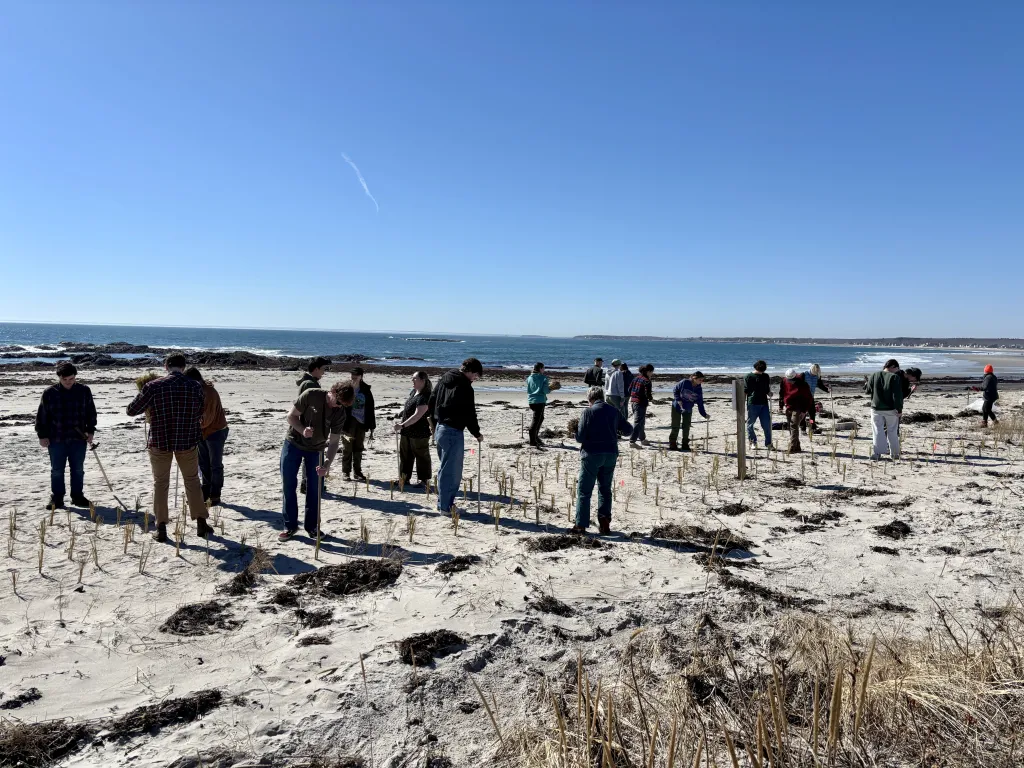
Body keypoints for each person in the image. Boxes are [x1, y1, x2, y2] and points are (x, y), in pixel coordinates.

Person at [127, 353, 210, 542]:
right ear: (184, 367)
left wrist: (150, 407)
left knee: (161, 483)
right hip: (186, 440)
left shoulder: (153, 386)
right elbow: (200, 411)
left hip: (160, 441)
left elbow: (131, 410)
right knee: (192, 481)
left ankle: (161, 527)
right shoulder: (194, 386)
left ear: (166, 366)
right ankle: (201, 523)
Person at [280, 380, 355, 540]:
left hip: (316, 450)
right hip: (293, 443)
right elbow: (291, 416)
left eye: (342, 405)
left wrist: (326, 465)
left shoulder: (340, 413)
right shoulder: (311, 395)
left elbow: (334, 442)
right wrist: (302, 430)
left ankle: (312, 527)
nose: (338, 406)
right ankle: (290, 526)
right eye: (338, 402)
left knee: (315, 488)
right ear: (333, 392)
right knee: (288, 484)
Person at [35, 361, 96, 510]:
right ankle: (57, 498)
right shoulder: (49, 393)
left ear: (75, 376)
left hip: (78, 438)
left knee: (78, 470)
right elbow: (42, 415)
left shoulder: (84, 390)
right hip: (56, 438)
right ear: (59, 378)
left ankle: (77, 496)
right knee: (57, 470)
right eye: (65, 379)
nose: (68, 382)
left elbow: (91, 412)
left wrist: (91, 431)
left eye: (71, 379)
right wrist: (42, 436)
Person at [571, 386, 632, 535]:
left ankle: (580, 525)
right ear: (602, 397)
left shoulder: (587, 412)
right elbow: (629, 430)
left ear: (590, 399)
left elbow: (580, 438)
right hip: (610, 453)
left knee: (584, 490)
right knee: (605, 489)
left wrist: (574, 432)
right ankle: (604, 523)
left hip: (592, 454)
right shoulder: (614, 411)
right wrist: (615, 428)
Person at [432, 357, 483, 515]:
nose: (475, 379)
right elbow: (469, 413)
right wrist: (476, 433)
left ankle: (443, 503)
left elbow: (432, 399)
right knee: (451, 472)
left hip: (440, 428)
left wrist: (433, 423)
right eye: (476, 375)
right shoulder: (465, 386)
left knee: (444, 469)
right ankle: (446, 507)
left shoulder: (445, 378)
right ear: (470, 371)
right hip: (452, 431)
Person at [184, 367, 228, 507]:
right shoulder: (196, 390)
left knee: (215, 464)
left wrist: (191, 425)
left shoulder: (209, 392)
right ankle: (206, 492)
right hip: (202, 432)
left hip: (216, 431)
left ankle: (215, 494)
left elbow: (207, 419)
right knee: (203, 463)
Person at [297, 356, 331, 493]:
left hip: (308, 424)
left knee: (310, 455)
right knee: (312, 455)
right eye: (323, 369)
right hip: (311, 425)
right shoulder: (310, 384)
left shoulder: (309, 382)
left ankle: (308, 483)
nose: (324, 372)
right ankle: (309, 484)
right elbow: (313, 407)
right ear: (316, 369)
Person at [394, 371, 433, 485]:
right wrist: (402, 413)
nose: (412, 380)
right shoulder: (414, 392)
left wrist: (402, 425)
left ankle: (424, 480)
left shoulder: (425, 396)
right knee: (405, 456)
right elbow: (410, 407)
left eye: (414, 378)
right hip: (407, 431)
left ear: (422, 381)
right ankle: (404, 478)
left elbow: (417, 415)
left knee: (421, 456)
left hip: (419, 432)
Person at [863, 359, 905, 460]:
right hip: (890, 409)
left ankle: (877, 453)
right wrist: (899, 409)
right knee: (892, 431)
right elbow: (897, 395)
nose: (897, 371)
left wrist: (867, 383)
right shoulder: (894, 377)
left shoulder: (874, 375)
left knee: (877, 430)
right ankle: (894, 454)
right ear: (893, 367)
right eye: (897, 369)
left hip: (876, 407)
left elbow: (867, 390)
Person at [341, 367, 376, 482]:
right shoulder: (346, 388)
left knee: (358, 448)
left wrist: (372, 426)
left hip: (361, 423)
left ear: (361, 376)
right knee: (347, 448)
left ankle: (357, 472)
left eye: (356, 376)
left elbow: (370, 408)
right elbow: (340, 404)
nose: (353, 378)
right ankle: (346, 472)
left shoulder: (366, 389)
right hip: (347, 423)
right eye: (352, 376)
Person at [669, 371, 709, 451]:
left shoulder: (699, 389)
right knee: (675, 426)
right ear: (694, 378)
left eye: (702, 380)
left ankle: (685, 444)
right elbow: (675, 390)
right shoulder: (685, 382)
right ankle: (672, 443)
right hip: (677, 406)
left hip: (688, 408)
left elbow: (700, 402)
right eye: (700, 380)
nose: (701, 382)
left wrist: (704, 414)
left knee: (686, 427)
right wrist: (678, 399)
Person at [779, 369, 814, 454]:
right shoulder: (784, 381)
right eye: (789, 380)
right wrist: (781, 405)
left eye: (792, 380)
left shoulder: (803, 384)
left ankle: (792, 447)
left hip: (799, 407)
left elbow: (809, 399)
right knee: (790, 427)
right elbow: (782, 393)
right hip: (788, 406)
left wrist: (804, 411)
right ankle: (797, 446)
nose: (790, 381)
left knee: (794, 426)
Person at [526, 362, 556, 448]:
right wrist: (551, 388)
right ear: (540, 369)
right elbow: (545, 391)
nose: (544, 370)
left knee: (541, 418)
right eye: (543, 368)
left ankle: (536, 437)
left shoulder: (529, 378)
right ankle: (532, 441)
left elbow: (530, 388)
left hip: (531, 401)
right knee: (536, 421)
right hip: (539, 401)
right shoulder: (543, 378)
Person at [744, 360, 772, 449]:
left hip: (764, 403)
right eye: (760, 369)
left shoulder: (766, 376)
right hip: (753, 403)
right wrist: (742, 403)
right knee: (750, 424)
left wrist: (769, 393)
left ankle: (768, 443)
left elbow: (767, 389)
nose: (761, 371)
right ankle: (753, 442)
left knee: (767, 425)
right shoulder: (749, 376)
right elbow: (745, 391)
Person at [627, 364, 654, 448]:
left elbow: (629, 389)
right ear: (648, 371)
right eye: (652, 372)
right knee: (638, 422)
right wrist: (650, 398)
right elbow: (647, 393)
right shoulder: (647, 381)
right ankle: (632, 441)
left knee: (641, 422)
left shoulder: (635, 378)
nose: (652, 374)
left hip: (633, 401)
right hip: (641, 403)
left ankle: (642, 439)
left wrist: (634, 395)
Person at [801, 363, 831, 433]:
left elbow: (820, 385)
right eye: (814, 372)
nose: (815, 374)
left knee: (812, 414)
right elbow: (797, 384)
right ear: (811, 370)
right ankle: (803, 428)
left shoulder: (817, 376)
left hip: (811, 398)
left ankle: (812, 427)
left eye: (817, 372)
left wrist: (827, 390)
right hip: (803, 398)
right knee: (803, 414)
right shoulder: (804, 375)